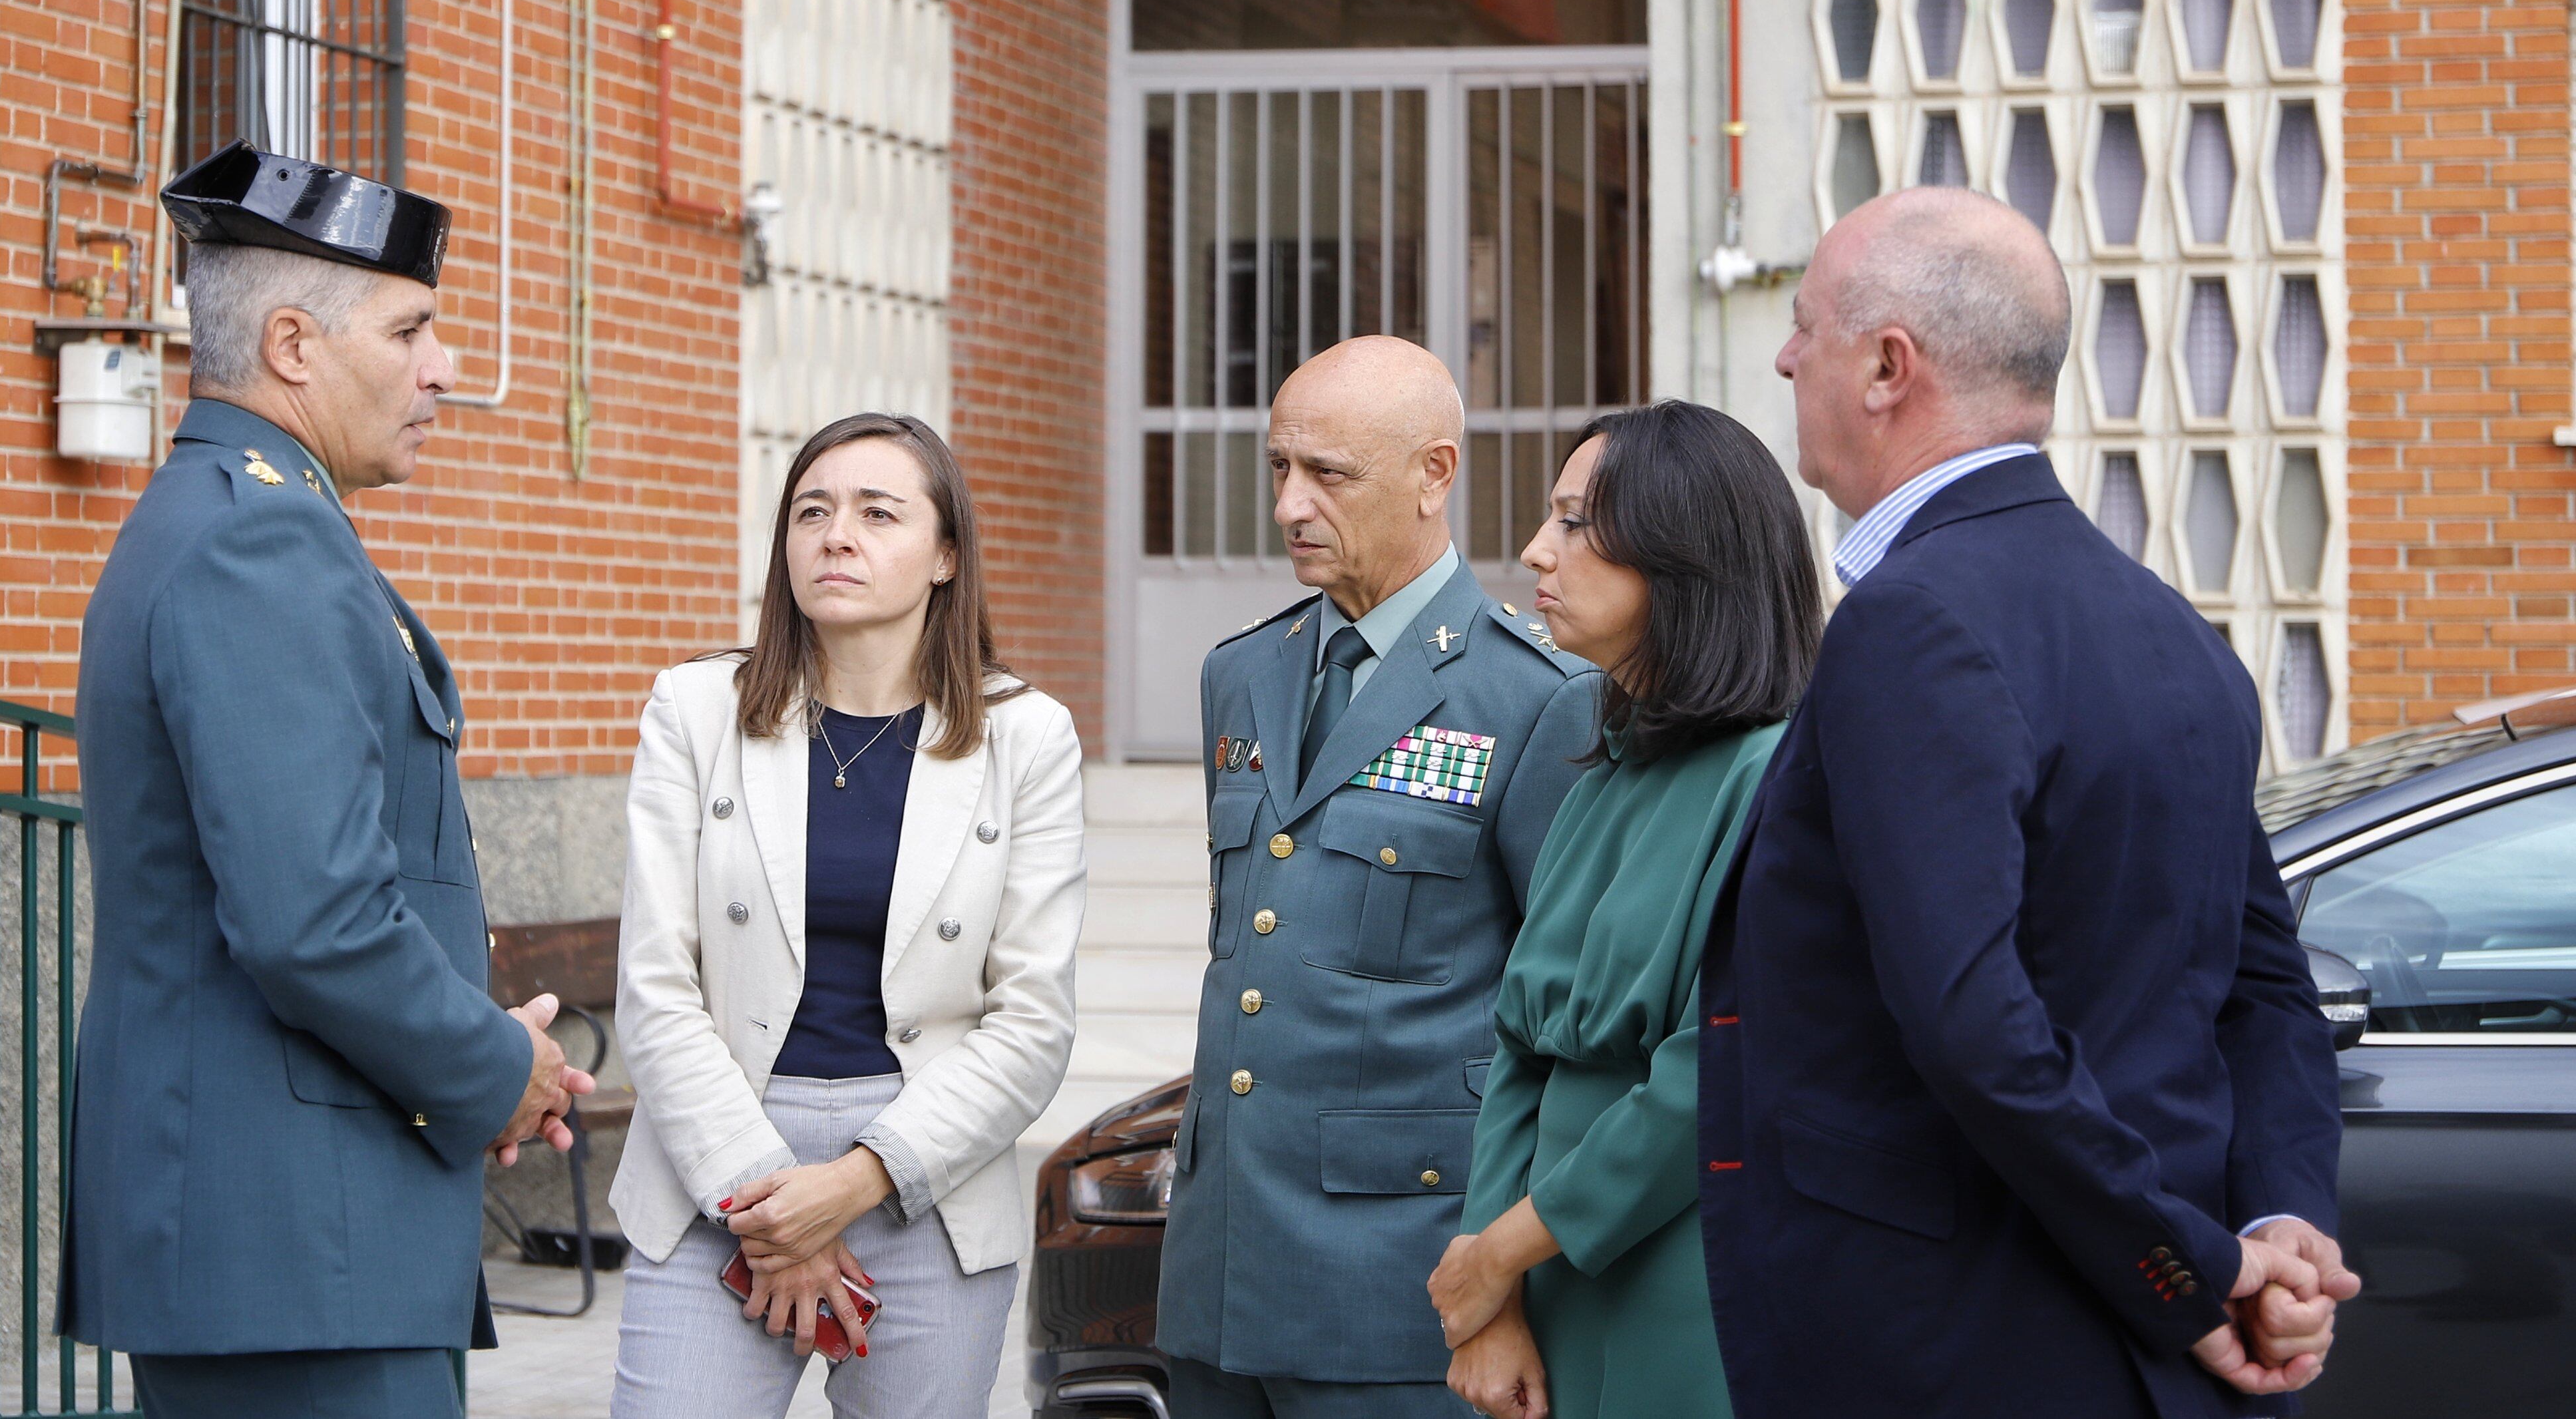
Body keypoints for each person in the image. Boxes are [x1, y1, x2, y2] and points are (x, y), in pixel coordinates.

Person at [1694, 186, 2359, 1418]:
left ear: (1889, 365)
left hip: (1972, 1344)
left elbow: (1971, 1022)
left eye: (1804, 326)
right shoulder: (2175, 633)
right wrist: (2284, 1222)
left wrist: (2195, 1272)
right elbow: (2265, 986)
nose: (1784, 356)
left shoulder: (1914, 619)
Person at [64, 140, 593, 1419]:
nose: (444, 367)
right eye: (412, 328)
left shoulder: (235, 514)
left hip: (288, 1244)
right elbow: (318, 917)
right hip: (296, 1243)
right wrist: (493, 1067)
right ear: (294, 345)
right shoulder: (260, 537)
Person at [1158, 335, 1603, 1419]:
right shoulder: (1241, 671)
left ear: (1434, 474)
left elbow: (1559, 1029)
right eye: (1279, 469)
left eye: (1330, 475)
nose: (1290, 506)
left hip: (1403, 1285)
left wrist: (1500, 1274)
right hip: (1221, 1275)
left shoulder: (1535, 698)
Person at [608, 411, 1086, 1418]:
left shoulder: (1026, 737)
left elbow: (1033, 1019)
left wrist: (858, 1182)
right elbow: (656, 983)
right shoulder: (696, 711)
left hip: (928, 1172)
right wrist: (772, 1202)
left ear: (946, 553)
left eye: (879, 512)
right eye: (812, 511)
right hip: (717, 1158)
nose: (837, 535)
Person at [1428, 401, 1823, 1419]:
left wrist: (1500, 1250)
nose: (1533, 551)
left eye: (1572, 522)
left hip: (1684, 1281)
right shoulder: (1606, 766)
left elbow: (1712, 1071)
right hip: (1547, 1276)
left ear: (1683, 555)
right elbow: (1520, 1044)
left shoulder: (1778, 776)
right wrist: (1491, 1294)